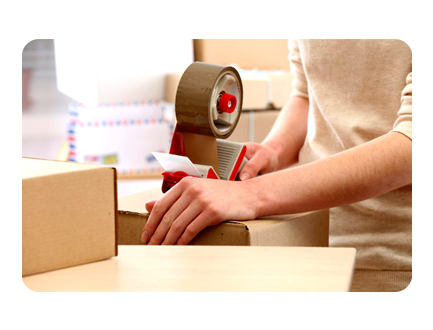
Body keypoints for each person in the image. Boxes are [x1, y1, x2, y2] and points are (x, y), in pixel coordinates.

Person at [141, 39, 412, 292]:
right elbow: (308, 93)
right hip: (303, 240)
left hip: (391, 260)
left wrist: (252, 194)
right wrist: (275, 149)